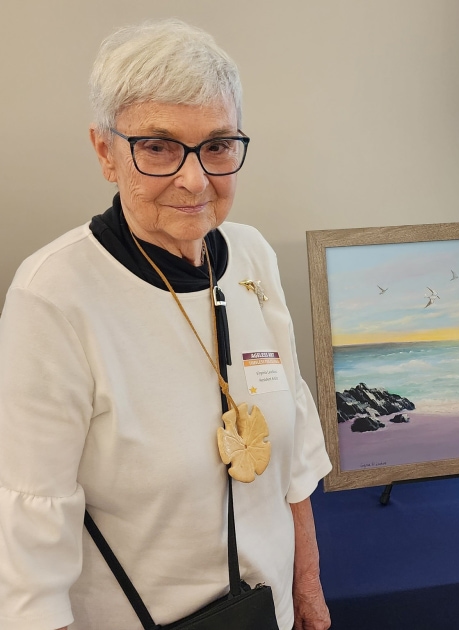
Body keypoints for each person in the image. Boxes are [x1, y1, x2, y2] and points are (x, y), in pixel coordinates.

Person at [0, 18, 332, 630]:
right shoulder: (53, 296)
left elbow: (295, 452)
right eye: (157, 147)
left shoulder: (253, 254)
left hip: (269, 614)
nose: (194, 178)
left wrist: (306, 590)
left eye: (217, 145)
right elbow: (28, 532)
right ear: (105, 151)